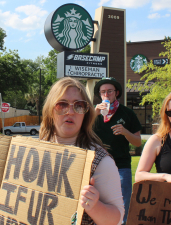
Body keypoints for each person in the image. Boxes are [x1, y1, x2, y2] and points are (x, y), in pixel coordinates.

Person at [40, 77, 124, 224]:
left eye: (79, 105)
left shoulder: (100, 161)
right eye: (62, 105)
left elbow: (117, 219)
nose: (70, 112)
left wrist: (94, 206)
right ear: (50, 110)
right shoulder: (32, 151)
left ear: (86, 113)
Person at [93, 77, 142, 225]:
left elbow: (138, 142)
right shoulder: (93, 114)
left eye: (109, 91)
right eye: (103, 92)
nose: (106, 95)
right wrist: (94, 113)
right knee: (96, 209)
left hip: (121, 167)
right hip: (96, 168)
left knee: (122, 211)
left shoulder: (127, 113)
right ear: (100, 95)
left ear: (116, 93)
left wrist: (126, 132)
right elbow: (81, 133)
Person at [136, 92, 171, 183]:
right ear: (166, 115)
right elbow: (139, 175)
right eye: (170, 112)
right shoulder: (157, 140)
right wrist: (165, 177)